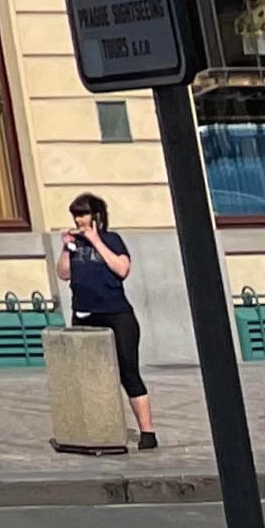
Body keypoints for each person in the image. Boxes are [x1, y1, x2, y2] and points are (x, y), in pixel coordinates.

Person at [57, 191, 157, 449]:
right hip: (84, 314)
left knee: (128, 370)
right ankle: (98, 428)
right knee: (89, 375)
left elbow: (122, 269)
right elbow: (64, 274)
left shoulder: (113, 240)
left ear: (96, 216)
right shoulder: (75, 244)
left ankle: (148, 432)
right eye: (76, 215)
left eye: (83, 214)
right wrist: (66, 249)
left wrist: (96, 240)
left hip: (117, 313)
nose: (79, 220)